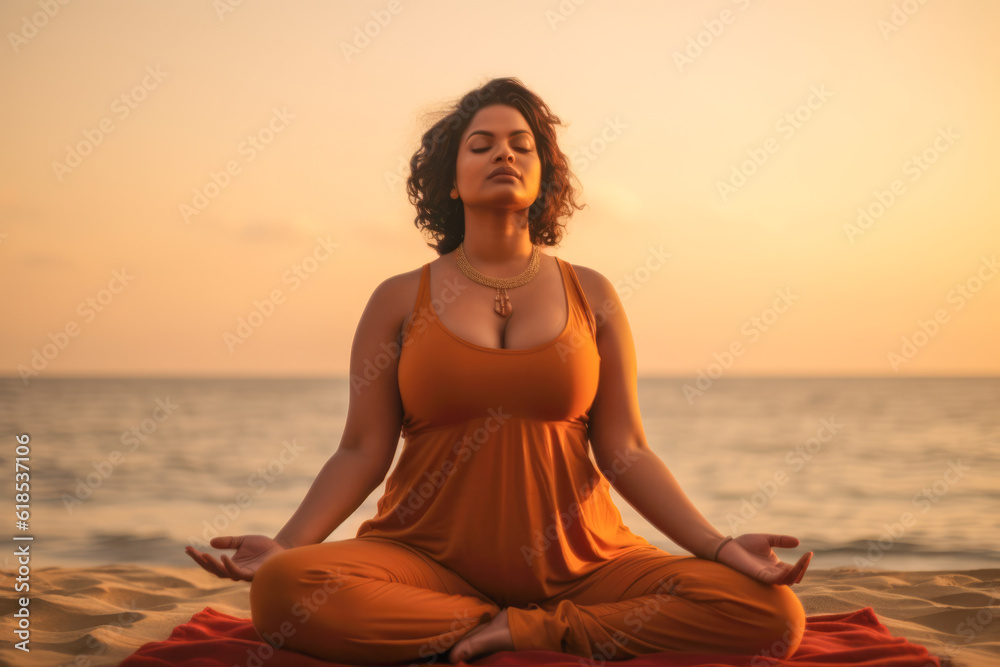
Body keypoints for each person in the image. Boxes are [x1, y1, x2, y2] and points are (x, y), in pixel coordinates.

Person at [185, 77, 813, 665]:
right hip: (424, 561)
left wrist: (722, 547)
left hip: (587, 564)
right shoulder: (399, 298)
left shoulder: (592, 294)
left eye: (522, 146)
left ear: (544, 178)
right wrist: (288, 545)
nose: (503, 155)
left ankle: (534, 629)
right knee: (283, 591)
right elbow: (360, 449)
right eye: (480, 145)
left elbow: (626, 449)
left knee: (772, 612)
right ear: (451, 181)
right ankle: (485, 621)